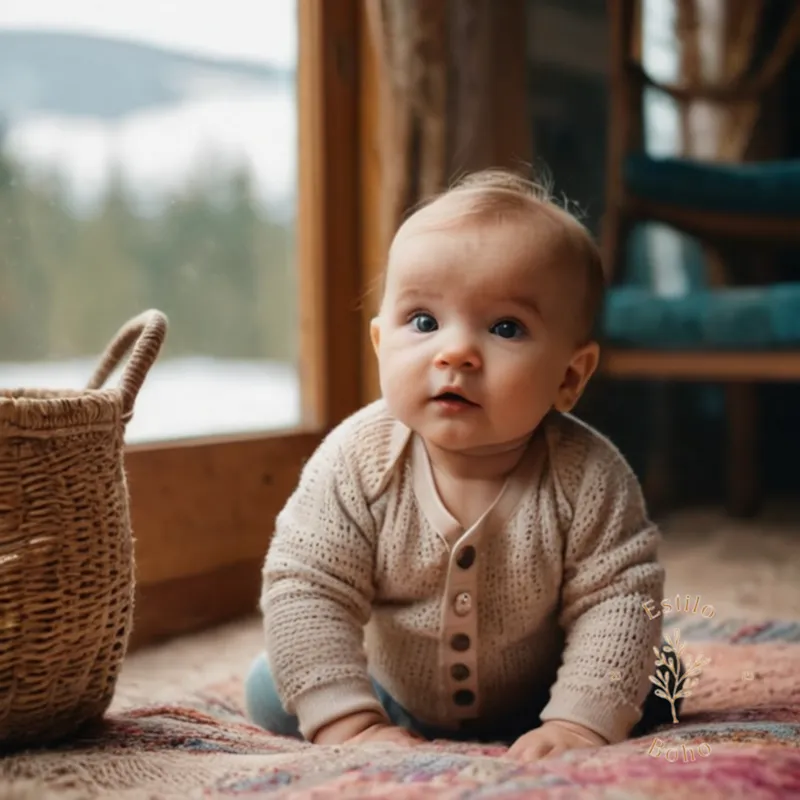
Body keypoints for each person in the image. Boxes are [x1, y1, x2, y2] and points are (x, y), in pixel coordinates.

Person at [246, 169, 670, 761]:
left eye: (505, 327)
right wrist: (352, 723)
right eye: (423, 321)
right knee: (275, 687)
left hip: (546, 696)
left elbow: (620, 596)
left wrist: (579, 724)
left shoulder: (590, 476)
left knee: (650, 677)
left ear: (570, 376)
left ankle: (578, 713)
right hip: (391, 696)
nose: (455, 353)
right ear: (379, 345)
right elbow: (307, 585)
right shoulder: (355, 461)